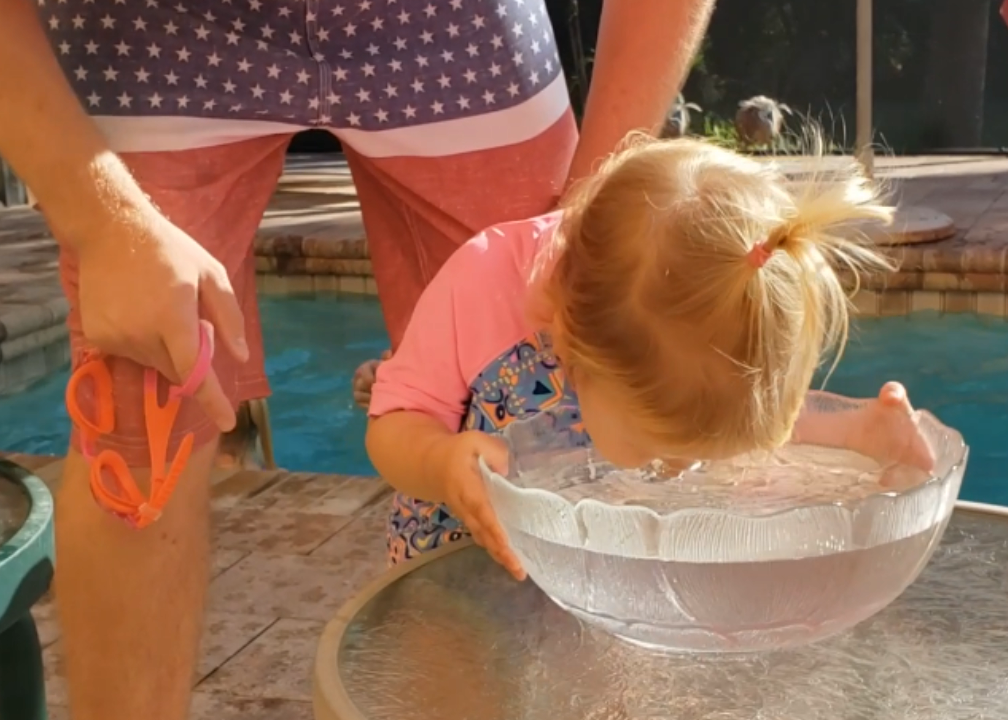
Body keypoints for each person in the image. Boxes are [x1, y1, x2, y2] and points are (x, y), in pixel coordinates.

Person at [0, 0, 715, 716]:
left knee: (557, 373)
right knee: (137, 427)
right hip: (153, 31)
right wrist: (103, 223)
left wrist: (584, 213)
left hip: (449, 24)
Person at [366, 136, 937, 577]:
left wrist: (858, 430)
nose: (677, 471)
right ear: (571, 346)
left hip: (582, 577)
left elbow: (726, 422)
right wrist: (442, 465)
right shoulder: (481, 284)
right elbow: (391, 425)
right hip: (455, 572)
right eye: (660, 449)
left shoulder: (696, 316)